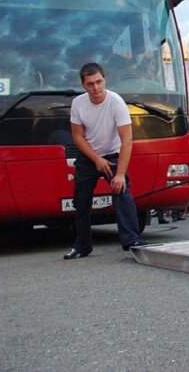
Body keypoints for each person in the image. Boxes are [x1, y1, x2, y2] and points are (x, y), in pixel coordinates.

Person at [64, 63, 146, 260]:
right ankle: (82, 245)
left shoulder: (116, 102)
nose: (96, 88)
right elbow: (78, 137)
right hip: (90, 155)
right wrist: (96, 159)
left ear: (105, 79)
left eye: (99, 82)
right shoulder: (78, 104)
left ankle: (131, 240)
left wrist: (119, 174)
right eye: (90, 84)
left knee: (121, 189)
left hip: (113, 153)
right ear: (84, 85)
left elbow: (126, 140)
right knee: (81, 200)